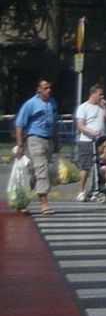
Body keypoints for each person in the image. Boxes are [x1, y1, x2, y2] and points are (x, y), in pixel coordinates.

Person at [12, 78, 59, 216]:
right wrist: (20, 145)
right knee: (42, 170)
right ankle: (44, 204)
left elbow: (54, 123)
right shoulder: (30, 104)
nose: (48, 90)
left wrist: (56, 142)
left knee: (38, 172)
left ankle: (21, 200)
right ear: (38, 89)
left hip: (48, 140)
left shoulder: (52, 103)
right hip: (34, 140)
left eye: (49, 88)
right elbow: (19, 125)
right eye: (45, 88)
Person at [73, 84, 106, 201]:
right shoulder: (84, 107)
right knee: (86, 166)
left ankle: (96, 188)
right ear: (93, 94)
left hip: (100, 141)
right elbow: (80, 125)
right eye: (100, 94)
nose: (102, 96)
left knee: (100, 164)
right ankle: (81, 191)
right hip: (87, 140)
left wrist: (105, 108)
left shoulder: (100, 107)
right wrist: (91, 132)